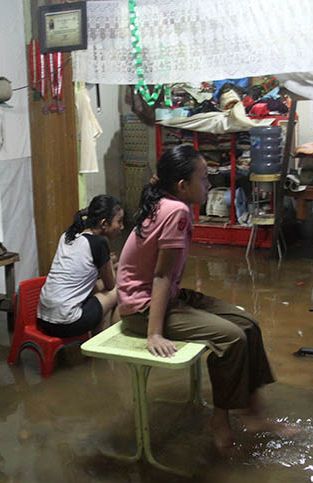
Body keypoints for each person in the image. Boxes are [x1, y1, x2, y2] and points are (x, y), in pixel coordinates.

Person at [117, 144, 289, 450]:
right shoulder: (177, 211)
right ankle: (220, 419)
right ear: (182, 186)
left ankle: (254, 415)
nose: (209, 185)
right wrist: (153, 333)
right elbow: (160, 275)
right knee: (232, 338)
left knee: (248, 324)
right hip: (142, 310)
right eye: (204, 178)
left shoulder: (167, 203)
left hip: (166, 297)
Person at [37, 195, 124, 337]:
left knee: (97, 288)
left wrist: (110, 263)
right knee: (119, 289)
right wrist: (111, 263)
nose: (122, 227)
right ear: (104, 223)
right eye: (119, 222)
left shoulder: (68, 235)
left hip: (43, 319)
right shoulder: (98, 243)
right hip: (66, 324)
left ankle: (95, 344)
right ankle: (108, 344)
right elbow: (110, 285)